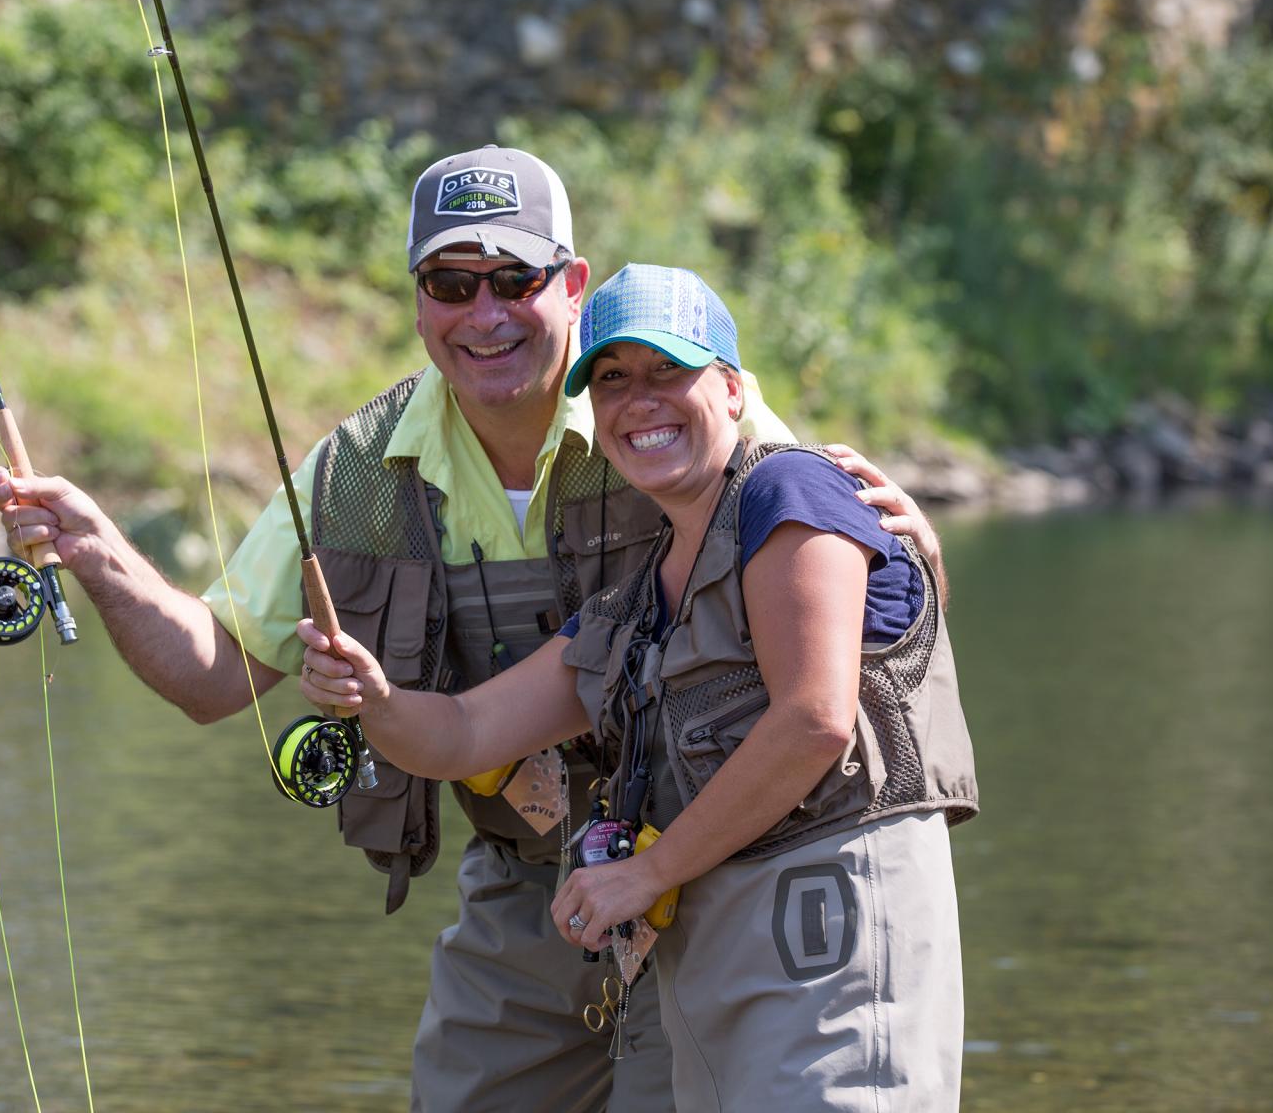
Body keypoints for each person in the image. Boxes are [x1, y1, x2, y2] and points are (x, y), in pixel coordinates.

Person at [0, 149, 943, 1113]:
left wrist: (922, 556)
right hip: (527, 888)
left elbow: (846, 617)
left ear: (570, 285)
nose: (484, 313)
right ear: (418, 302)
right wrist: (97, 553)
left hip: (713, 877)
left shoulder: (679, 418)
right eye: (451, 283)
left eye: (514, 280)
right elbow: (212, 680)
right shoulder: (356, 473)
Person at [294, 264, 977, 1112]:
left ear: (731, 390)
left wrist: (646, 873)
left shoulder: (791, 491)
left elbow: (814, 721)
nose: (638, 401)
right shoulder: (632, 605)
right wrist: (373, 699)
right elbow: (464, 735)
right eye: (611, 380)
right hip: (723, 945)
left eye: (668, 372)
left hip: (832, 931)